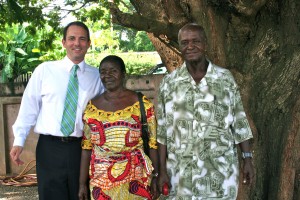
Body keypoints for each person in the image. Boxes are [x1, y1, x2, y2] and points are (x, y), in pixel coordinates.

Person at [156, 23, 255, 199]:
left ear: (205, 44)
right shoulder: (169, 83)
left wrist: (247, 158)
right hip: (180, 176)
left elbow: (239, 120)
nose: (190, 46)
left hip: (220, 175)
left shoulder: (225, 79)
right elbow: (162, 131)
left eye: (196, 41)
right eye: (184, 42)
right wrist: (162, 171)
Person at [9, 21, 104, 200]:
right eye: (72, 38)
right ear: (63, 42)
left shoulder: (97, 76)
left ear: (89, 44)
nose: (77, 43)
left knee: (82, 195)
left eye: (82, 39)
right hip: (49, 148)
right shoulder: (45, 70)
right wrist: (19, 140)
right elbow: (29, 106)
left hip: (82, 149)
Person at [78, 55, 160, 200]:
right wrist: (82, 183)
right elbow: (86, 148)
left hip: (136, 178)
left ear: (123, 74)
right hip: (101, 181)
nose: (107, 75)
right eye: (103, 71)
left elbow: (153, 144)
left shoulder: (142, 103)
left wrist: (156, 176)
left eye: (113, 71)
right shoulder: (92, 108)